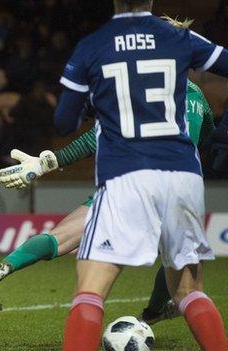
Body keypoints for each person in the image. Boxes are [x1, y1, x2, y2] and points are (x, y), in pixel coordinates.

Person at [0, 79, 215, 327]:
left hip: (125, 183)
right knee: (179, 263)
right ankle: (152, 314)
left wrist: (48, 162)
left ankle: (7, 265)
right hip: (176, 189)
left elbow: (95, 137)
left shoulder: (139, 87)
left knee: (60, 237)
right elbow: (209, 139)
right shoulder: (198, 98)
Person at [50, 1, 228, 349]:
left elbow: (63, 123)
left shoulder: (93, 45)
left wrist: (90, 102)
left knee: (91, 288)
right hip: (182, 175)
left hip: (126, 173)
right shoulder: (181, 37)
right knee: (189, 291)